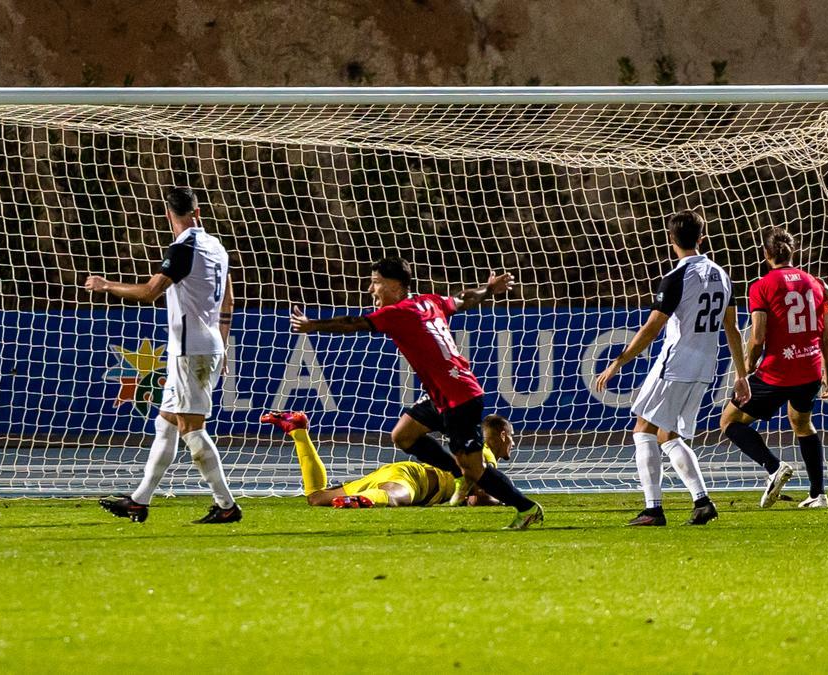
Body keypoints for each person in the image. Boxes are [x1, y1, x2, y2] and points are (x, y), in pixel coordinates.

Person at [289, 257, 544, 529]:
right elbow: (463, 298)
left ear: (396, 286)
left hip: (459, 396)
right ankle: (457, 473)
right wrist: (489, 289)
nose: (370, 290)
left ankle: (527, 508)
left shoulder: (398, 312)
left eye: (376, 283)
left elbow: (354, 323)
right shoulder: (429, 301)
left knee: (475, 469)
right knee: (403, 435)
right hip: (443, 395)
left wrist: (313, 325)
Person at [86, 187, 241, 524]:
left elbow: (149, 291)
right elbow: (228, 300)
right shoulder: (216, 246)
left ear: (168, 215)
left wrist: (105, 285)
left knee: (191, 430)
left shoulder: (183, 247)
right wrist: (224, 345)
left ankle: (227, 505)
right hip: (204, 344)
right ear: (197, 212)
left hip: (191, 350)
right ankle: (139, 501)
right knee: (165, 423)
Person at [594, 210, 749, 526]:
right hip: (706, 366)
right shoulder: (722, 275)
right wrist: (741, 375)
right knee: (668, 435)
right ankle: (702, 502)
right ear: (701, 237)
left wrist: (618, 362)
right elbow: (732, 328)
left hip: (676, 362)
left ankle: (653, 510)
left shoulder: (677, 277)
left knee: (642, 429)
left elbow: (651, 328)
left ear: (670, 240)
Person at [720, 227, 828, 509]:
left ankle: (774, 467)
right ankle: (818, 494)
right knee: (802, 423)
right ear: (792, 252)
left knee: (729, 422)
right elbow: (827, 339)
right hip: (810, 368)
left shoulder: (762, 285)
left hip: (777, 371)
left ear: (765, 254)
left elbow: (757, 337)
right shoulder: (815, 283)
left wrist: (746, 370)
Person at [261, 410, 514, 507]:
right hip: (416, 481)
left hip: (398, 471)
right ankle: (363, 501)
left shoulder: (473, 447)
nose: (512, 444)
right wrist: (503, 500)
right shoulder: (483, 453)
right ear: (502, 436)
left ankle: (298, 431)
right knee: (396, 497)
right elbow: (475, 498)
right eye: (511, 438)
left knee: (316, 497)